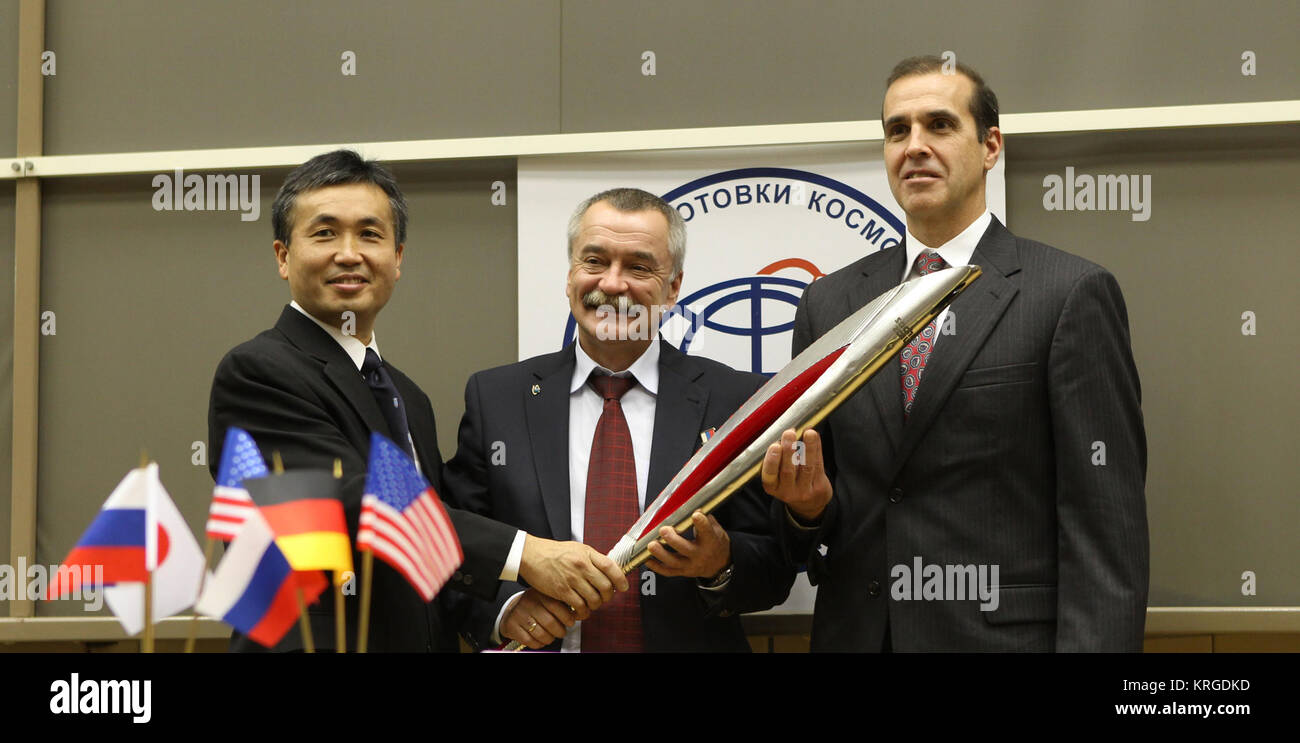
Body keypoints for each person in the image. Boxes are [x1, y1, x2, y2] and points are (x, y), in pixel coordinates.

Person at [762, 56, 1149, 651]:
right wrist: (805, 510)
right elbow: (814, 516)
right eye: (898, 130)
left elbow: (1106, 529)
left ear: (990, 146)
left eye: (939, 125)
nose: (914, 146)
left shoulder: (1068, 293)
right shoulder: (828, 304)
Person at [208, 150, 626, 652]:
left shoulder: (406, 396)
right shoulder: (258, 372)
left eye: (370, 234)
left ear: (398, 258)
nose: (348, 253)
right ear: (282, 255)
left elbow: (428, 552)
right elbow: (348, 502)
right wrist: (525, 553)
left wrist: (508, 610)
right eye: (324, 233)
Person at [443, 188, 795, 651]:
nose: (612, 284)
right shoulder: (497, 399)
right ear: (570, 276)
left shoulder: (736, 399)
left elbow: (776, 565)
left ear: (673, 288)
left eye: (638, 266)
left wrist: (720, 561)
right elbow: (450, 548)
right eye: (595, 261)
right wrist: (506, 609)